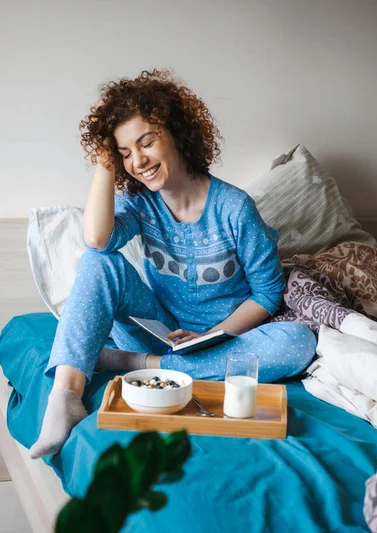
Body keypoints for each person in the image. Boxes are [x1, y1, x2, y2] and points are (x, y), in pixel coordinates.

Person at [29, 68, 316, 459]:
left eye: (146, 143)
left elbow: (268, 292)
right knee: (100, 261)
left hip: (223, 342)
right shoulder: (140, 202)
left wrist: (213, 334)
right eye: (125, 153)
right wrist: (104, 160)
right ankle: (65, 399)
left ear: (177, 134)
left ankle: (135, 364)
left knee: (298, 341)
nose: (139, 161)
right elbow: (98, 240)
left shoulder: (234, 208)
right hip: (159, 331)